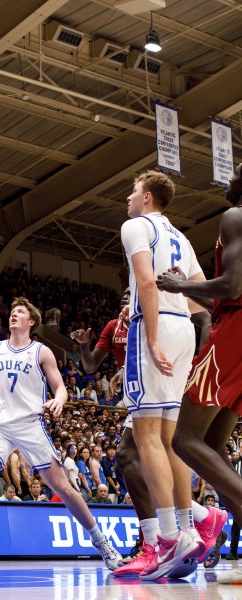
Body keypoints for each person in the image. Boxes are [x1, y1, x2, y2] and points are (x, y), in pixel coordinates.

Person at [0, 297, 122, 575]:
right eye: (12, 311)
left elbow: (60, 387)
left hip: (30, 424)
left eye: (19, 312)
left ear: (31, 322)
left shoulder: (41, 351)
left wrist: (59, 399)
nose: (13, 315)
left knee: (64, 488)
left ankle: (102, 543)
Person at [120, 170, 225, 580]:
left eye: (131, 192)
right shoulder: (180, 239)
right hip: (183, 326)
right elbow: (205, 300)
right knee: (169, 440)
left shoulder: (135, 226)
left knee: (147, 437)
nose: (127, 199)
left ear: (146, 197)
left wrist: (150, 336)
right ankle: (189, 526)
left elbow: (146, 280)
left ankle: (167, 537)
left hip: (157, 327)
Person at [157, 162, 242, 585]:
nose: (230, 180)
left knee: (183, 439)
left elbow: (231, 287)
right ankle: (217, 518)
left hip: (236, 332)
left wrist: (181, 287)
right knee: (212, 444)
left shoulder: (236, 216)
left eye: (237, 173)